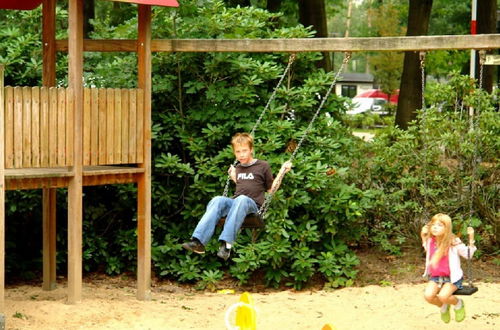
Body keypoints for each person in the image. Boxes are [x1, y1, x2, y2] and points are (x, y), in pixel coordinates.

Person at [182, 132, 292, 260]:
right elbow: (244, 185)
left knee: (242, 199)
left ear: (251, 150)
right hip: (237, 203)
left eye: (244, 151)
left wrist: (282, 171)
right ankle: (198, 242)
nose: (241, 154)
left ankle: (226, 244)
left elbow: (271, 190)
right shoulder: (238, 167)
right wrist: (234, 177)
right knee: (217, 199)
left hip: (253, 206)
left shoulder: (263, 166)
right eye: (238, 152)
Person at [420, 213, 476, 323]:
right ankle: (444, 307)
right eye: (433, 224)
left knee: (443, 296)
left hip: (452, 278)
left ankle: (458, 304)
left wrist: (471, 238)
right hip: (436, 278)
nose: (435, 227)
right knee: (428, 296)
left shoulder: (453, 242)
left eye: (440, 225)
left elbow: (468, 255)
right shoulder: (430, 241)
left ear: (447, 228)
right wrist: (423, 236)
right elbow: (427, 248)